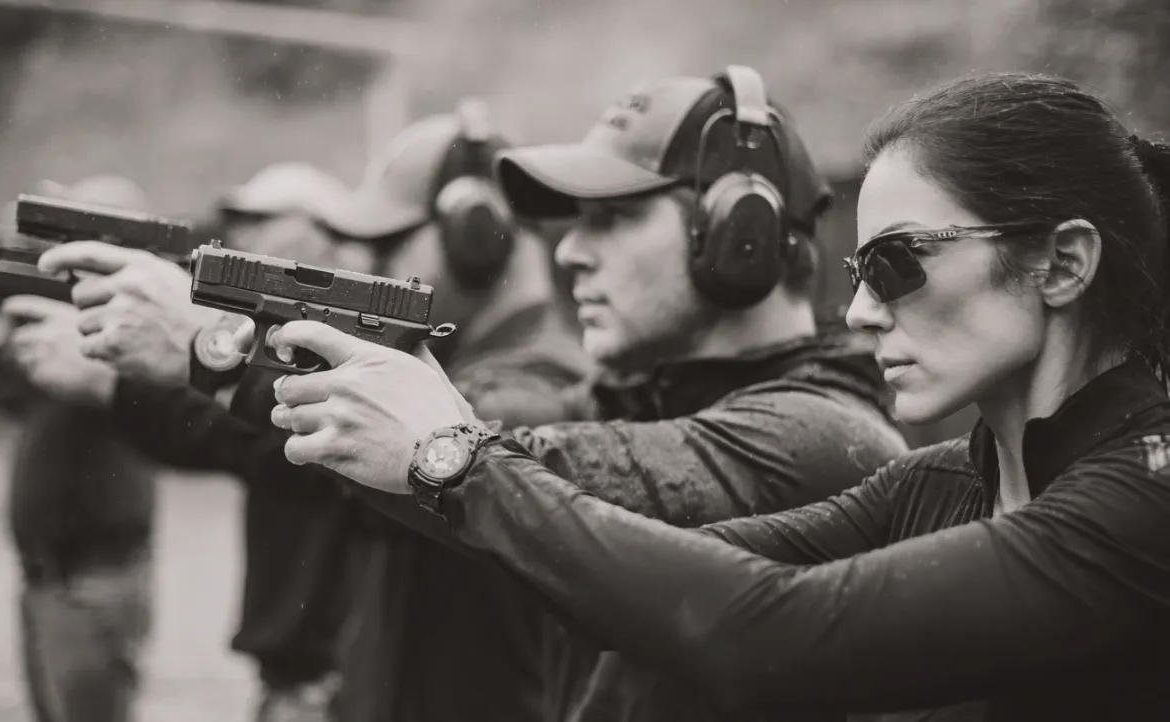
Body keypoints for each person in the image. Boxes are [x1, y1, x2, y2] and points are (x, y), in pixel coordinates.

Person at [269, 71, 1170, 721]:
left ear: (1062, 262)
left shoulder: (1147, 491)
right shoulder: (937, 487)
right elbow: (651, 580)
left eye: (898, 262)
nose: (858, 310)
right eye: (858, 269)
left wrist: (455, 462)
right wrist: (426, 454)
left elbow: (766, 633)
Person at [7, 100, 591, 722]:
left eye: (388, 242)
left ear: (477, 235)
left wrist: (207, 348)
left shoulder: (542, 383)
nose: (372, 265)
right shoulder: (475, 363)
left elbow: (433, 443)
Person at [6, 163, 366, 722]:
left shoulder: (341, 339)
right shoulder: (298, 334)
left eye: (259, 219)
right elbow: (212, 436)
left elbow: (247, 438)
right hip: (302, 660)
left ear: (319, 229)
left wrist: (120, 385)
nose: (242, 235)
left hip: (331, 666)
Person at [5, 175, 158, 722]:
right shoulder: (65, 318)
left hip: (94, 576)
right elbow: (3, 383)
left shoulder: (127, 326)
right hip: (50, 573)